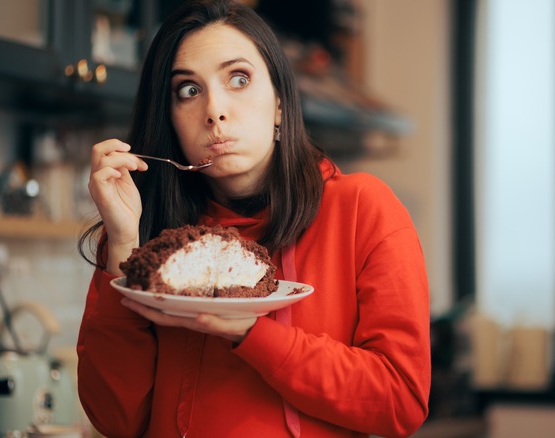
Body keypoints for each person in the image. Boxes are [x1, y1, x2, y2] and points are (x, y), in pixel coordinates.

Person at [76, 0, 431, 436]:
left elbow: (400, 402)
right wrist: (124, 243)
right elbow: (115, 419)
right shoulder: (153, 240)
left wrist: (251, 332)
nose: (214, 110)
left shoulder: (362, 209)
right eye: (188, 90)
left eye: (238, 79)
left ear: (280, 103)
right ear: (170, 120)